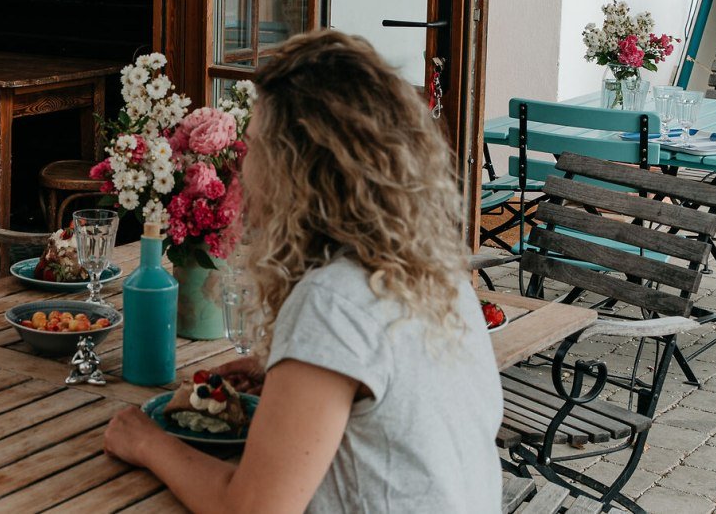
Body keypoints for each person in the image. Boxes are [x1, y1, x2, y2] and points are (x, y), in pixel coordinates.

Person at [103, 29, 503, 513]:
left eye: (255, 149)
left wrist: (147, 443)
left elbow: (251, 510)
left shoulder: (332, 299)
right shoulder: (436, 273)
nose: (246, 171)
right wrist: (288, 376)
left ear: (293, 169)